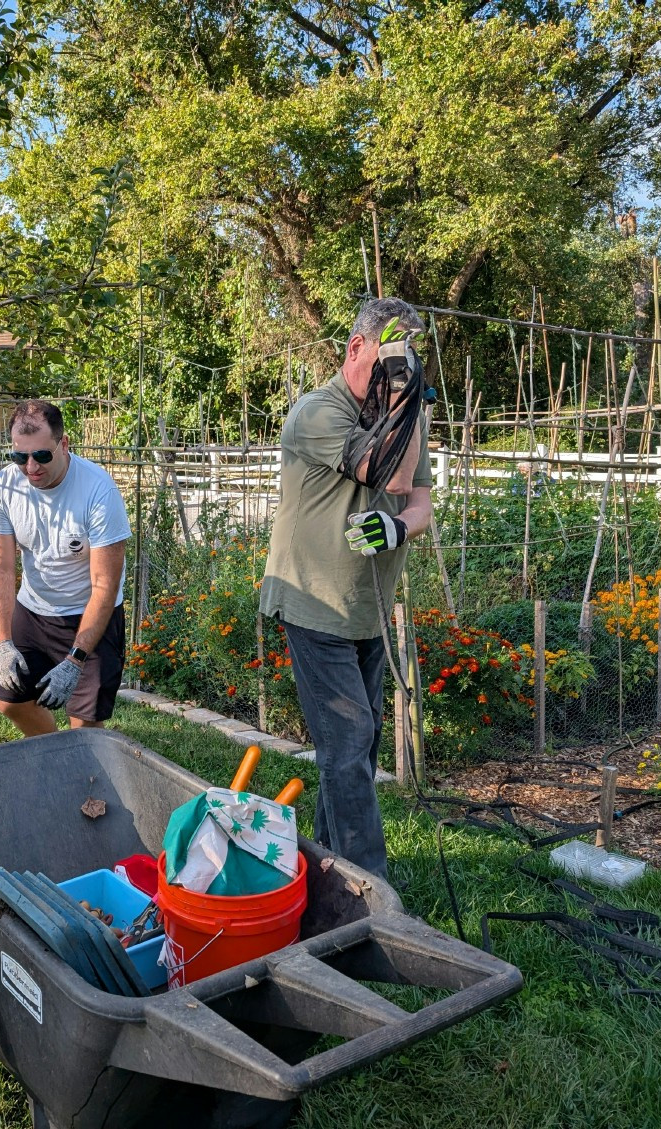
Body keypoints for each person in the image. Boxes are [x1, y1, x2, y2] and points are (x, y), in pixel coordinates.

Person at [258, 297, 435, 879]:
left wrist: (398, 527)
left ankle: (326, 866)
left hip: (367, 608)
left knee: (358, 744)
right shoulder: (317, 412)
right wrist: (406, 397)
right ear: (357, 348)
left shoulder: (405, 416)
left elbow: (419, 503)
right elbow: (392, 475)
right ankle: (370, 890)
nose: (398, 374)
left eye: (409, 360)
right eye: (390, 359)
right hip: (314, 601)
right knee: (349, 738)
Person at [0, 400, 131, 736]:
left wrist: (75, 660)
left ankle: (78, 761)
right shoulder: (4, 488)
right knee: (11, 703)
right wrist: (3, 644)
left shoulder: (99, 491)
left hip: (90, 613)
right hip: (34, 612)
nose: (31, 467)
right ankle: (55, 753)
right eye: (20, 457)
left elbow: (105, 586)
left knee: (85, 727)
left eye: (41, 455)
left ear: (63, 444)